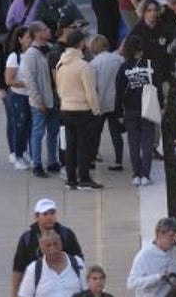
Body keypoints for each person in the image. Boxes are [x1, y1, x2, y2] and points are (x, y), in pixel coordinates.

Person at [55, 30, 103, 190]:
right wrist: (96, 110)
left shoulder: (60, 63)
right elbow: (90, 91)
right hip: (82, 110)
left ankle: (71, 179)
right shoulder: (83, 66)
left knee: (70, 145)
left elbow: (59, 87)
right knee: (84, 145)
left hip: (66, 108)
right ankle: (84, 177)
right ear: (80, 44)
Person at [115, 35, 157, 185]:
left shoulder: (123, 68)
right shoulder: (150, 65)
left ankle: (136, 175)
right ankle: (146, 175)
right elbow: (157, 86)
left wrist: (118, 112)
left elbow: (119, 91)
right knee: (147, 142)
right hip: (148, 109)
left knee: (133, 142)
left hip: (130, 110)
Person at [126, 218, 176, 297]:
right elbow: (131, 283)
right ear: (160, 235)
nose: (175, 240)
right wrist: (158, 277)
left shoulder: (175, 252)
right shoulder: (144, 256)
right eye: (171, 236)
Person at [21, 21, 58, 178]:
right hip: (40, 101)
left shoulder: (49, 49)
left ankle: (52, 161)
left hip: (53, 98)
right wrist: (38, 100)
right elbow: (30, 80)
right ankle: (36, 164)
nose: (48, 30)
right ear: (37, 33)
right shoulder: (31, 54)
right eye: (44, 29)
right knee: (38, 132)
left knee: (53, 132)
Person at [87, 34, 124, 171]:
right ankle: (118, 160)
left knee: (96, 132)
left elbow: (93, 86)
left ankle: (91, 159)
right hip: (116, 102)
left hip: (100, 102)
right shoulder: (119, 59)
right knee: (116, 132)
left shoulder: (93, 64)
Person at [2, 26, 34, 170]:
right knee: (19, 126)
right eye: (27, 37)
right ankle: (17, 155)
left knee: (29, 127)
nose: (30, 40)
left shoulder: (33, 54)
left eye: (31, 37)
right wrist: (26, 83)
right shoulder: (14, 57)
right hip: (18, 96)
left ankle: (24, 151)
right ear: (20, 39)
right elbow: (9, 80)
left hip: (30, 96)